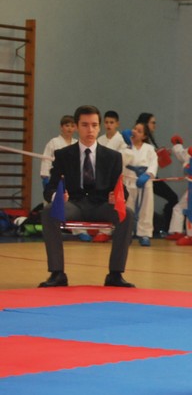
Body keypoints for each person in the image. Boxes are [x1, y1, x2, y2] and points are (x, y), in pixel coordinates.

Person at [39, 105, 135, 288]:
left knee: (127, 214)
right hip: (73, 204)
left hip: (102, 205)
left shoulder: (113, 157)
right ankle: (57, 273)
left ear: (99, 127)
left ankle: (115, 274)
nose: (90, 130)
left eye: (94, 125)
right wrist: (57, 197)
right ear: (76, 126)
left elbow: (121, 188)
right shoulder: (63, 155)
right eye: (84, 125)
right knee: (49, 211)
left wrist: (118, 197)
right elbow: (49, 188)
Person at [40, 115, 89, 242]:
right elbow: (46, 160)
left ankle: (80, 231)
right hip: (56, 179)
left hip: (72, 180)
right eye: (67, 125)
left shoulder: (77, 144)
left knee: (76, 204)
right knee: (52, 205)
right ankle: (53, 231)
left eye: (72, 126)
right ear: (61, 127)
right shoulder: (54, 142)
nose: (69, 128)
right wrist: (45, 177)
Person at [137, 112, 179, 235]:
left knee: (170, 198)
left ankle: (163, 228)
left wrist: (162, 154)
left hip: (149, 176)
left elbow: (154, 161)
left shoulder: (149, 142)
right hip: (138, 176)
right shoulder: (136, 141)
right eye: (152, 122)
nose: (154, 125)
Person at [122, 122, 158, 246]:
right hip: (129, 180)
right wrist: (129, 146)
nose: (134, 132)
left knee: (146, 208)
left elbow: (154, 163)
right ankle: (127, 233)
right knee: (128, 208)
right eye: (134, 129)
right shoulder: (125, 147)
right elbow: (123, 162)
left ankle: (145, 234)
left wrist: (148, 174)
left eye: (139, 131)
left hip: (144, 180)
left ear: (144, 136)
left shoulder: (149, 148)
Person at [94, 110, 127, 243]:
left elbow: (125, 157)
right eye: (106, 122)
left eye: (111, 122)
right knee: (104, 202)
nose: (108, 125)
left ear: (117, 124)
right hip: (102, 176)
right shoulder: (100, 140)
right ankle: (104, 232)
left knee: (119, 204)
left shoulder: (121, 141)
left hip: (116, 176)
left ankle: (121, 232)